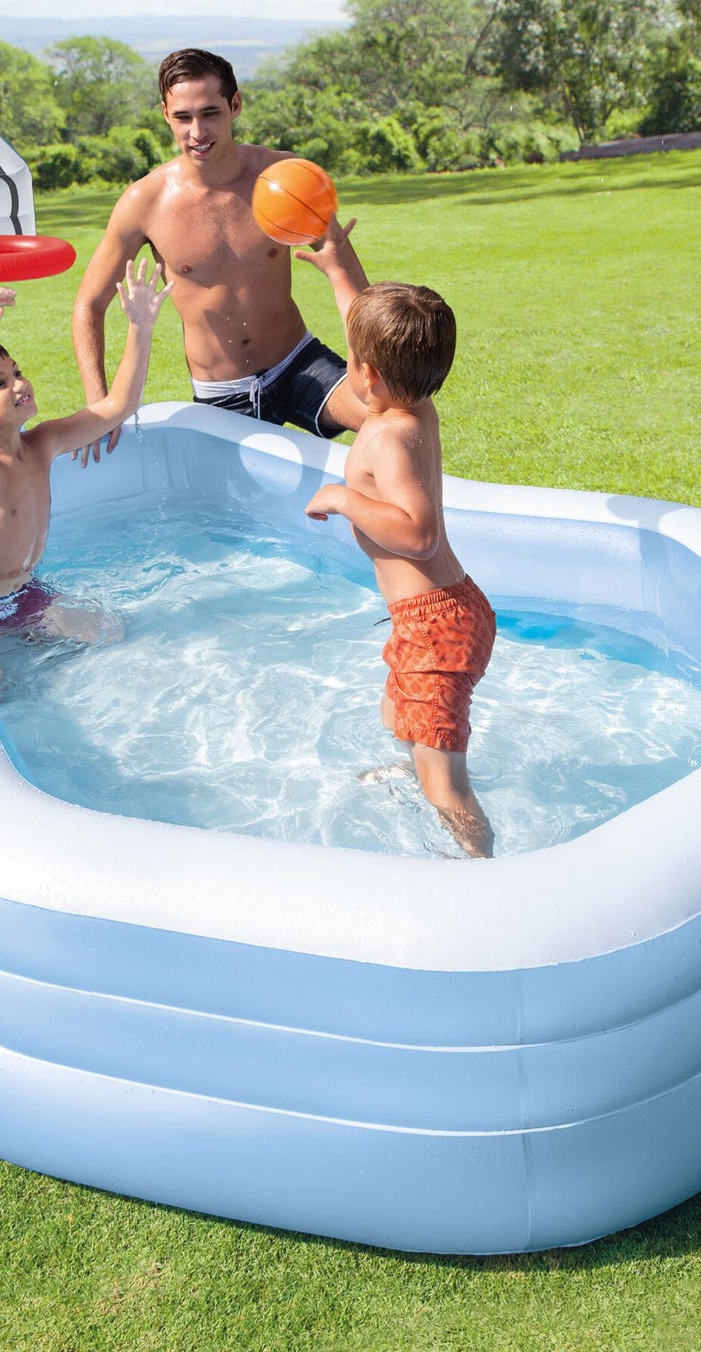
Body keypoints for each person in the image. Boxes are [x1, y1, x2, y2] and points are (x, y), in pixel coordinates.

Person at [72, 47, 370, 456]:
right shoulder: (144, 202)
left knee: (389, 419)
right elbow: (89, 305)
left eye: (210, 113)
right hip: (221, 394)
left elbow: (354, 279)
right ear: (165, 114)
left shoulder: (285, 178)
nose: (197, 132)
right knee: (226, 516)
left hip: (298, 364)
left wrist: (376, 365)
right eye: (183, 117)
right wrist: (101, 405)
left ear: (235, 105)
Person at [300, 262, 496, 859]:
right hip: (439, 616)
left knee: (447, 786)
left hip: (434, 626)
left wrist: (343, 499)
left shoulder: (387, 436)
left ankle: (488, 879)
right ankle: (414, 772)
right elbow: (368, 332)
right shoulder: (409, 407)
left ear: (369, 374)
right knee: (397, 714)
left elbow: (420, 534)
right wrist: (336, 263)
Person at [0, 259, 172, 693]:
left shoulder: (41, 445)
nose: (19, 384)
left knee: (109, 631)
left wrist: (140, 328)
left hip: (21, 597)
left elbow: (116, 408)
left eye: (17, 372)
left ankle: (28, 639)